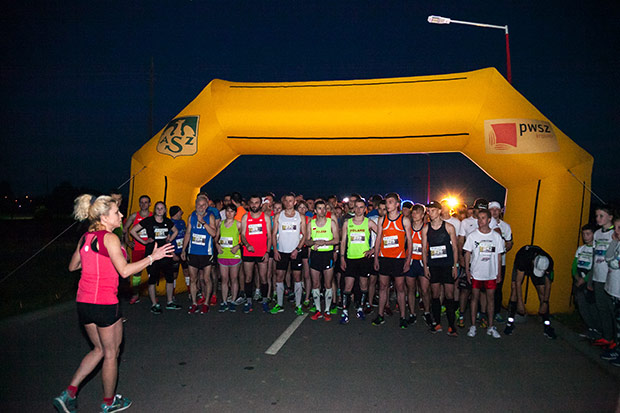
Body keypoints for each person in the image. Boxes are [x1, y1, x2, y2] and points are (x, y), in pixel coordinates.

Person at [53, 195, 174, 413]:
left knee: (99, 349)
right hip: (104, 302)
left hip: (84, 302)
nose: (121, 215)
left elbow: (73, 266)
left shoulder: (86, 237)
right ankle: (108, 403)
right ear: (104, 217)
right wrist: (152, 258)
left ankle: (69, 393)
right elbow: (125, 271)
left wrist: (95, 264)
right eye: (117, 212)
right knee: (111, 353)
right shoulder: (110, 238)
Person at [129, 201, 179, 314]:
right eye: (158, 208)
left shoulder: (167, 221)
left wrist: (169, 239)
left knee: (169, 278)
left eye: (162, 208)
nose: (160, 210)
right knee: (152, 279)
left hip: (165, 253)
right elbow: (132, 231)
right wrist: (144, 241)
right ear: (155, 210)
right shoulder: (149, 220)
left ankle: (170, 302)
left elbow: (175, 231)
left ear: (165, 210)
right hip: (152, 254)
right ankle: (154, 304)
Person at [463, 208, 505, 339]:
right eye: (479, 218)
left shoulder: (496, 236)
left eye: (483, 218)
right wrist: (467, 271)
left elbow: (499, 256)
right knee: (474, 298)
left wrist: (499, 273)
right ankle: (473, 325)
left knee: (490, 299)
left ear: (489, 220)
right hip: (476, 273)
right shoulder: (473, 236)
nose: (480, 221)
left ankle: (491, 326)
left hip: (491, 273)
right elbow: (467, 253)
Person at [372, 193, 412, 329]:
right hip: (384, 258)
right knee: (383, 287)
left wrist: (408, 260)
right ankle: (380, 315)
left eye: (390, 202)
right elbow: (378, 239)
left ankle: (402, 317)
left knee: (400, 288)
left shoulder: (404, 220)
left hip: (399, 259)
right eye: (387, 202)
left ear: (397, 204)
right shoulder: (381, 220)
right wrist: (376, 258)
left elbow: (410, 241)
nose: (388, 204)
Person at [422, 200, 459, 336]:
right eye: (428, 210)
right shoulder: (426, 228)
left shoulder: (449, 227)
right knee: (435, 295)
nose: (430, 213)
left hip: (447, 265)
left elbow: (455, 248)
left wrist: (455, 266)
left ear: (439, 211)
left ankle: (451, 325)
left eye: (432, 210)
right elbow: (424, 250)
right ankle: (437, 323)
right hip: (434, 265)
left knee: (449, 295)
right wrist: (425, 267)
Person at [504, 245, 557, 338]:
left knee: (542, 292)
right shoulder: (523, 258)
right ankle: (510, 322)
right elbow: (518, 282)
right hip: (522, 262)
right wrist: (520, 303)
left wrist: (545, 302)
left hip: (535, 265)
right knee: (514, 289)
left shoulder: (548, 261)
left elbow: (548, 283)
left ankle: (547, 325)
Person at [339, 198, 377, 323]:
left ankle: (360, 308)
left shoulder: (369, 222)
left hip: (364, 259)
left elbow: (382, 235)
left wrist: (373, 249)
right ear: (353, 208)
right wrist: (342, 257)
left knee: (363, 285)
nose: (359, 210)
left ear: (365, 209)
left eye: (361, 207)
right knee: (348, 286)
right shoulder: (347, 223)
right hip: (350, 258)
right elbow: (343, 241)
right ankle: (345, 311)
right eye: (357, 207)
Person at [181, 195, 217, 314]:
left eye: (203, 205)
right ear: (195, 205)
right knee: (193, 279)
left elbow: (213, 233)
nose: (201, 207)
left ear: (206, 206)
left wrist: (203, 223)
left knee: (206, 278)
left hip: (206, 253)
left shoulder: (210, 216)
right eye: (199, 205)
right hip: (193, 252)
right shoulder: (191, 216)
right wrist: (183, 250)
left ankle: (206, 303)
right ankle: (194, 303)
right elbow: (187, 233)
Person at [272, 193, 306, 314]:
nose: (288, 203)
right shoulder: (278, 216)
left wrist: (297, 249)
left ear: (295, 202)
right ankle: (279, 304)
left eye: (291, 201)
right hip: (282, 251)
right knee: (279, 277)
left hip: (295, 251)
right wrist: (275, 250)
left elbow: (305, 235)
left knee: (297, 277)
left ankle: (298, 305)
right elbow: (273, 234)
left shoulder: (300, 216)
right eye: (286, 201)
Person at [307, 200, 341, 321]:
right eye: (319, 208)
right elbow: (307, 241)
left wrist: (324, 243)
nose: (322, 211)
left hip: (327, 255)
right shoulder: (311, 223)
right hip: (315, 255)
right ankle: (317, 310)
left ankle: (327, 310)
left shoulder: (331, 222)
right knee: (315, 284)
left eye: (324, 208)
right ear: (315, 211)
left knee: (328, 284)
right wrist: (314, 242)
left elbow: (337, 239)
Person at [240, 195, 272, 313]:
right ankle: (248, 301)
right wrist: (247, 245)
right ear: (249, 204)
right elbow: (242, 234)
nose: (254, 205)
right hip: (248, 251)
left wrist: (267, 252)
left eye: (256, 202)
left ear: (260, 204)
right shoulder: (245, 217)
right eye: (252, 203)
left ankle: (264, 301)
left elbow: (269, 236)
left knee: (263, 278)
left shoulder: (265, 217)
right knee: (248, 278)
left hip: (262, 252)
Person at [591, 205, 616, 348]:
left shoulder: (615, 233)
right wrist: (591, 278)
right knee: (601, 308)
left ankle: (615, 339)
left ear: (610, 217)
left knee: (612, 309)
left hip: (610, 277)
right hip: (597, 277)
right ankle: (607, 336)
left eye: (601, 216)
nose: (598, 218)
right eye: (597, 216)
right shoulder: (596, 234)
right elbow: (594, 255)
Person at [571, 223, 600, 340]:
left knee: (592, 306)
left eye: (588, 234)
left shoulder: (596, 249)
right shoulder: (580, 249)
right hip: (579, 278)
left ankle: (597, 329)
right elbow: (574, 266)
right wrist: (577, 277)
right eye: (583, 234)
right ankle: (590, 327)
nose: (585, 236)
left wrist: (585, 279)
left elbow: (595, 266)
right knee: (581, 304)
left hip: (589, 280)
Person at [488, 201, 513, 323]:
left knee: (498, 288)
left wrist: (501, 250)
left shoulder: (506, 226)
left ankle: (497, 312)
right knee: (484, 288)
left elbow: (510, 242)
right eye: (491, 209)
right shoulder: (483, 224)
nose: (494, 212)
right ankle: (482, 312)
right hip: (486, 262)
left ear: (500, 211)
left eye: (496, 209)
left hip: (500, 262)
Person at [124, 195, 152, 304]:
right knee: (136, 273)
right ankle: (135, 295)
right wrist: (127, 241)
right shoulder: (134, 216)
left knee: (152, 272)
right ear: (139, 204)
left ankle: (152, 295)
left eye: (146, 202)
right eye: (142, 202)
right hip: (137, 248)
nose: (143, 204)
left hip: (150, 249)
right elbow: (125, 228)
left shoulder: (153, 215)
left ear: (149, 204)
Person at [215, 204, 242, 312]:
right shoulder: (221, 223)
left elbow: (244, 238)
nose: (229, 213)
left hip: (234, 255)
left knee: (234, 278)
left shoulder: (238, 224)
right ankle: (224, 301)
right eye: (227, 211)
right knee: (224, 279)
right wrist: (217, 245)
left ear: (235, 213)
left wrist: (238, 246)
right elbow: (216, 238)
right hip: (223, 254)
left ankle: (233, 301)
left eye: (231, 211)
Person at [601, 217, 620, 366]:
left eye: (619, 228)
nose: (617, 231)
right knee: (616, 322)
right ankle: (617, 348)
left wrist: (612, 259)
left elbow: (613, 263)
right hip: (613, 288)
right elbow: (608, 257)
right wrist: (613, 242)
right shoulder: (617, 242)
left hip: (618, 290)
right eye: (616, 228)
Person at [407, 203, 429, 326]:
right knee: (411, 289)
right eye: (413, 212)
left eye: (418, 213)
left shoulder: (427, 228)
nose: (415, 215)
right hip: (411, 262)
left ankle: (427, 312)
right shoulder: (408, 227)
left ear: (423, 215)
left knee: (424, 290)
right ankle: (412, 313)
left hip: (422, 262)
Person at [169, 206, 189, 296]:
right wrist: (172, 254)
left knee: (187, 271)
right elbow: (167, 240)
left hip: (183, 251)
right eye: (180, 211)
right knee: (174, 274)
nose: (182, 212)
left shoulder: (182, 222)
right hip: (174, 252)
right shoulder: (170, 223)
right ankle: (172, 294)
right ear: (177, 212)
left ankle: (190, 292)